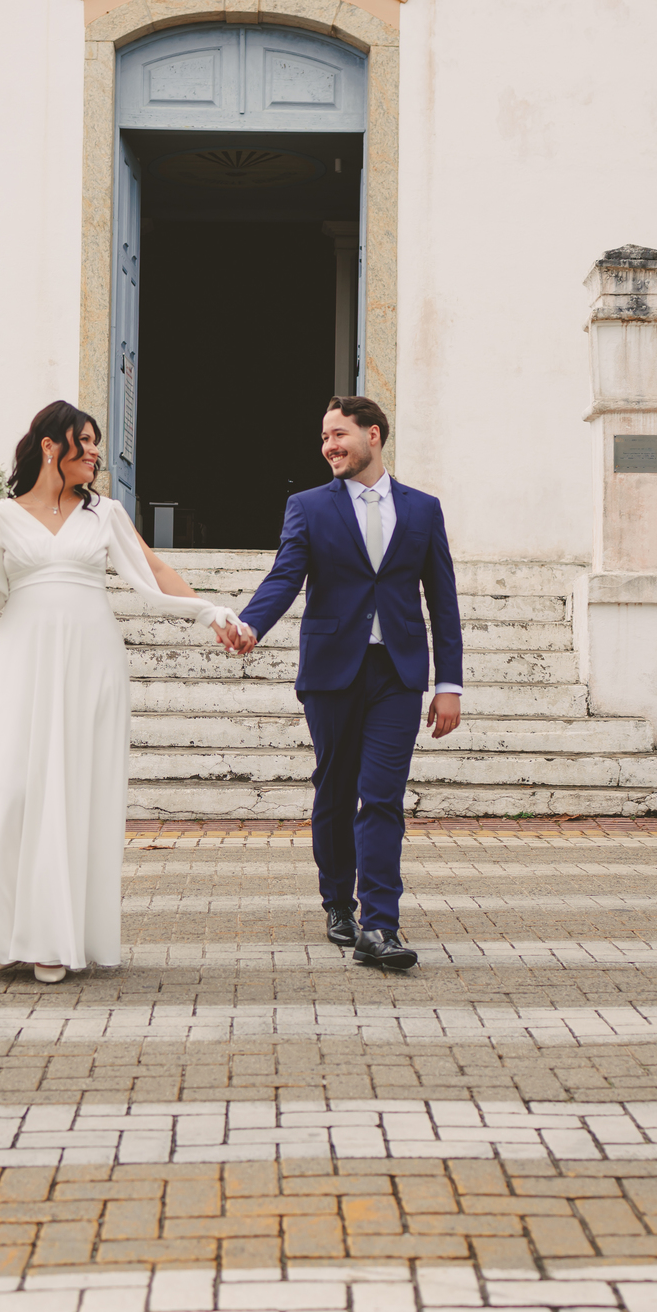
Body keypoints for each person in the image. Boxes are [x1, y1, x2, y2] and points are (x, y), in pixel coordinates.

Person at [0, 400, 246, 983]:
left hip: (92, 660)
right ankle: (0, 932)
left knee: (75, 789)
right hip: (24, 658)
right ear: (51, 445)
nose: (97, 453)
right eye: (86, 440)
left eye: (98, 442)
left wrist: (210, 612)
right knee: (12, 786)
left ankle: (55, 938)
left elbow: (153, 571)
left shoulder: (105, 514)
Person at [234, 396, 463, 971]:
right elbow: (286, 575)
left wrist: (449, 682)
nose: (329, 446)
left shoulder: (422, 509)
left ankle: (380, 924)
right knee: (335, 790)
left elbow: (442, 598)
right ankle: (338, 901)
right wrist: (251, 624)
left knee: (382, 795)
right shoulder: (309, 506)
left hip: (397, 673)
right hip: (332, 670)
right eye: (324, 438)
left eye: (338, 434)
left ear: (373, 435)